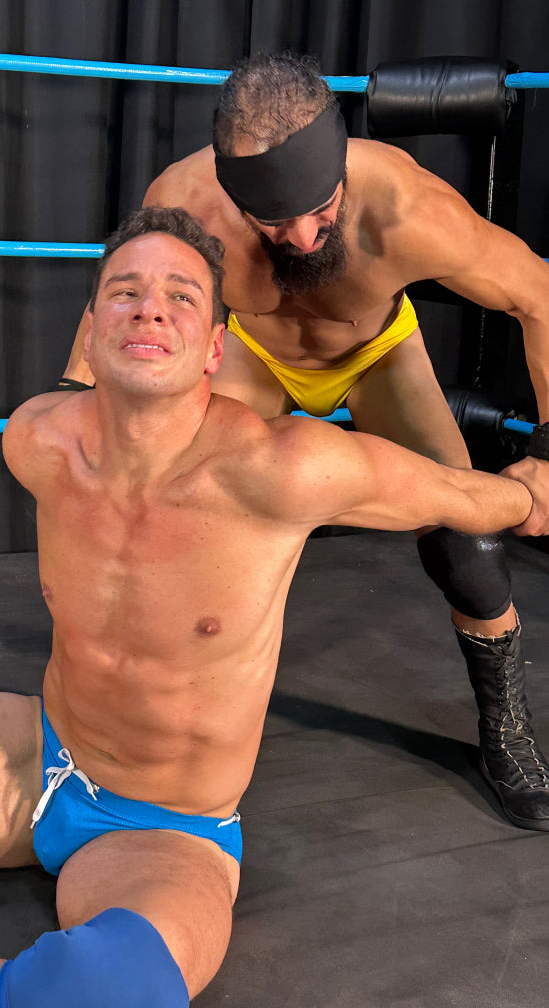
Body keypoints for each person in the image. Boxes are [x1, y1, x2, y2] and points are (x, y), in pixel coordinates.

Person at [0, 207, 542, 1008]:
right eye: (125, 292)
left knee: (106, 990)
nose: (150, 309)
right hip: (27, 760)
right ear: (91, 335)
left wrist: (530, 492)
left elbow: (457, 496)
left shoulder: (283, 470)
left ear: (215, 349)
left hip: (164, 831)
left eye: (181, 297)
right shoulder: (38, 441)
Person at [62, 52, 549, 831]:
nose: (300, 235)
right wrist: (73, 401)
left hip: (376, 354)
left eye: (321, 209)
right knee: (178, 511)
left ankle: (508, 728)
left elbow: (539, 295)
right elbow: (117, 293)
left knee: (467, 543)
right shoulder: (185, 203)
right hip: (253, 355)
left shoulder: (409, 210)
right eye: (272, 221)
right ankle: (150, 726)